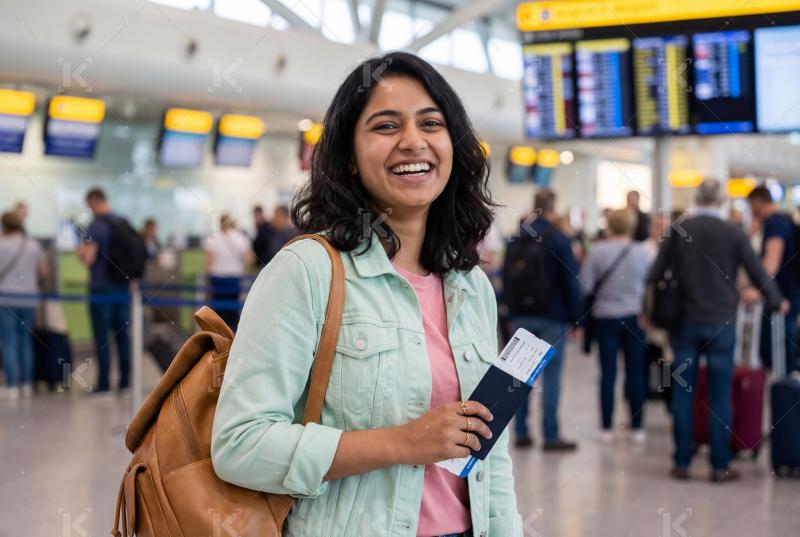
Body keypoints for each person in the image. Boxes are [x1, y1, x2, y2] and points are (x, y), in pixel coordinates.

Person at [211, 52, 522, 537]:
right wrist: (402, 443)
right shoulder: (308, 272)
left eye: (431, 123)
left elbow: (490, 452)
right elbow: (240, 444)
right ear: (349, 159)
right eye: (385, 126)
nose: (412, 142)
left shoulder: (470, 286)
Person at [647, 179, 785, 482]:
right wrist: (777, 301)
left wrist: (650, 310)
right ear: (722, 200)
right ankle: (719, 465)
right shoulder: (733, 232)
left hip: (683, 322)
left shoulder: (679, 230)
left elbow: (654, 273)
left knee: (683, 391)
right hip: (722, 321)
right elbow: (757, 271)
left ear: (697, 198)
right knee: (720, 394)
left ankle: (682, 461)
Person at [509, 189, 581, 451]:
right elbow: (571, 282)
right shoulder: (558, 239)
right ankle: (550, 436)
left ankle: (520, 432)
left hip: (522, 317)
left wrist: (511, 313)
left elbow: (507, 278)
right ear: (553, 207)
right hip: (553, 316)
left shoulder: (517, 237)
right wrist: (576, 319)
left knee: (521, 376)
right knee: (551, 376)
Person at [580, 209, 652, 445]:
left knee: (608, 373)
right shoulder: (642, 252)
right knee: (636, 373)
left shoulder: (597, 252)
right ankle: (638, 427)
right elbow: (649, 286)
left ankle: (606, 428)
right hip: (635, 317)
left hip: (605, 318)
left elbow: (585, 286)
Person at [77, 188, 132, 394]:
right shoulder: (123, 221)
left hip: (101, 289)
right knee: (123, 336)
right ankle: (126, 382)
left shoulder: (96, 225)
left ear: (93, 201)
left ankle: (104, 385)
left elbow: (89, 258)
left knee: (103, 337)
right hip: (122, 288)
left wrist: (80, 252)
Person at [746, 185, 799, 375]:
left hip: (778, 300)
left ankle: (781, 398)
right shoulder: (786, 219)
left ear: (758, 202)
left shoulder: (774, 223)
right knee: (786, 354)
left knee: (776, 355)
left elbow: (771, 262)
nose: (751, 211)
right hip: (791, 296)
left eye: (751, 205)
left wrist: (758, 290)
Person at [0, 212, 47, 399]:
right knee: (25, 342)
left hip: (7, 299)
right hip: (30, 299)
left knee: (8, 342)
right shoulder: (34, 245)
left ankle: (12, 386)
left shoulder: (1, 245)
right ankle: (26, 384)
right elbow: (43, 271)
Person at [203, 213, 254, 331]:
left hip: (217, 279)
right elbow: (249, 259)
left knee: (218, 311)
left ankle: (219, 338)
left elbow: (208, 263)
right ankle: (232, 336)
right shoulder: (240, 238)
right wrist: (243, 270)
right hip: (234, 279)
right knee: (233, 309)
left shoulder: (213, 238)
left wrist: (207, 279)